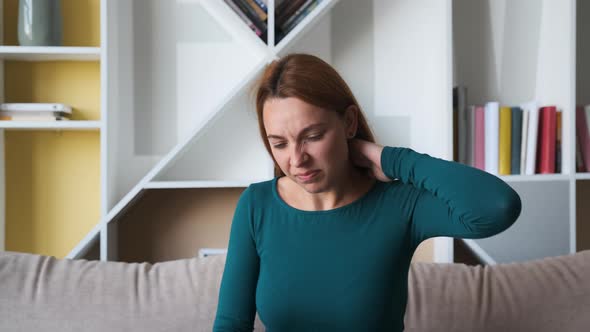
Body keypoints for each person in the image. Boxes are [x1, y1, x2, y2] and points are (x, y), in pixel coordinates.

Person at [212, 53, 521, 332]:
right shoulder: (257, 205)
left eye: (313, 136)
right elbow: (231, 323)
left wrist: (392, 158)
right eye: (279, 143)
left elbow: (497, 207)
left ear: (348, 122)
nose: (296, 159)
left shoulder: (398, 203)